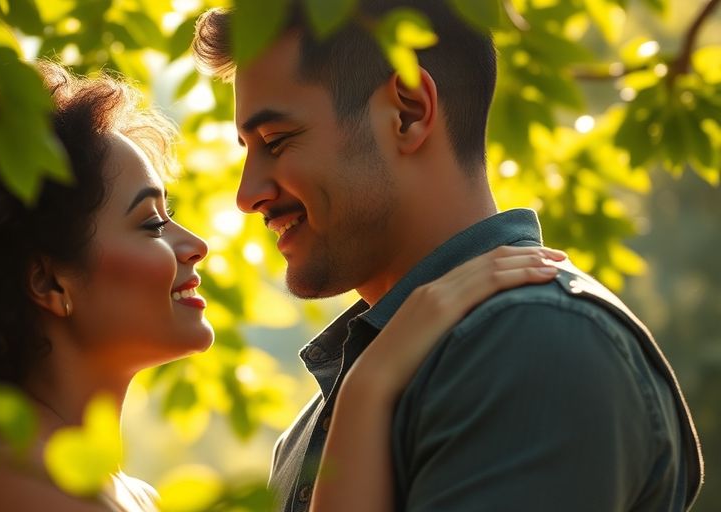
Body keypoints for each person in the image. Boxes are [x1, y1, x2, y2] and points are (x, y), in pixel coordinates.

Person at [0, 60, 566, 511]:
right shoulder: (0, 492)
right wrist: (373, 382)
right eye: (151, 222)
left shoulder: (113, 489)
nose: (194, 245)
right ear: (47, 282)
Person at [192, 1, 703, 511]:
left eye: (277, 141)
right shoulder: (316, 424)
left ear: (408, 113)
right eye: (246, 149)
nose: (247, 194)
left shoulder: (534, 345)